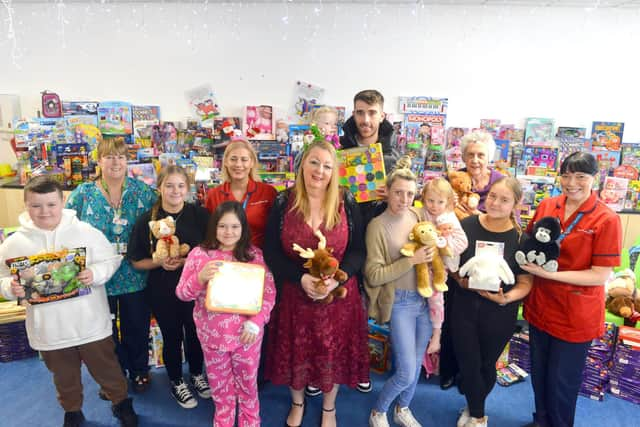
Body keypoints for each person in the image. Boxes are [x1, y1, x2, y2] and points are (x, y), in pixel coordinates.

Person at [0, 176, 138, 427]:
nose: (44, 212)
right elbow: (2, 277)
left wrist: (95, 274)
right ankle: (72, 410)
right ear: (25, 205)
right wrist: (11, 287)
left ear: (62, 202)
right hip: (50, 328)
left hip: (89, 322)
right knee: (63, 375)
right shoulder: (14, 244)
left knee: (107, 367)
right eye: (35, 205)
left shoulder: (85, 232)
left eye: (51, 204)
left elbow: (111, 260)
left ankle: (121, 402)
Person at [263, 139, 369, 427]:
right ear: (302, 164)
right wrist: (300, 278)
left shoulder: (346, 201)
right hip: (295, 296)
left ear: (334, 171)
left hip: (338, 299)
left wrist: (338, 278)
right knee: (296, 352)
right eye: (314, 162)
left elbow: (359, 250)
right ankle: (297, 403)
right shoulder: (284, 201)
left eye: (326, 166)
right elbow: (270, 250)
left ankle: (329, 408)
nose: (319, 171)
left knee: (331, 354)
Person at [521, 152, 622, 427]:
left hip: (575, 314)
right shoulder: (548, 205)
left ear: (594, 178)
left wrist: (551, 274)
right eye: (566, 175)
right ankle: (540, 421)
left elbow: (600, 275)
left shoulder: (606, 219)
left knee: (561, 382)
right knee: (539, 373)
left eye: (580, 176)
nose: (572, 182)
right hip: (541, 304)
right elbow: (530, 241)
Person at [66, 138, 157, 393]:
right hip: (97, 277)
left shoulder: (143, 191)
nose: (115, 162)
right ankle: (113, 377)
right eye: (109, 157)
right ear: (99, 161)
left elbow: (162, 220)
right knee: (103, 333)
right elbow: (66, 230)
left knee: (136, 326)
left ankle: (140, 370)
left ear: (127, 161)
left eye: (120, 157)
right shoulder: (83, 194)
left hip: (134, 273)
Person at [176, 201, 276, 427]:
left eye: (234, 227)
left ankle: (250, 420)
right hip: (213, 338)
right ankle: (224, 418)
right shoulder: (199, 255)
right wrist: (200, 278)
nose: (228, 232)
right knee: (219, 385)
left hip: (246, 337)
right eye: (222, 226)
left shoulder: (254, 256)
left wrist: (257, 322)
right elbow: (182, 293)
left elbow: (268, 294)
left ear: (243, 229)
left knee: (248, 384)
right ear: (214, 227)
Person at [364, 168, 447, 427]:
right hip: (398, 302)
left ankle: (403, 408)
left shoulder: (416, 214)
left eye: (410, 194)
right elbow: (373, 275)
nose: (404, 199)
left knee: (415, 366)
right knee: (406, 370)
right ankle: (379, 411)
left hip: (423, 302)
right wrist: (410, 261)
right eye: (398, 192)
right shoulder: (377, 226)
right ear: (387, 192)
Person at [449, 177, 533, 427]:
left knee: (486, 364)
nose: (495, 203)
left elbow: (526, 283)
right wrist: (460, 281)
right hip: (464, 307)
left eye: (504, 199)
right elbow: (451, 263)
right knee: (469, 363)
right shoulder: (467, 225)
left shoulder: (521, 238)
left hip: (499, 313)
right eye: (493, 196)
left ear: (516, 204)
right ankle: (478, 416)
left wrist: (505, 298)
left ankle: (472, 407)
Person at [127, 166, 210, 409]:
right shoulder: (147, 221)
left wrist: (186, 261)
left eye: (181, 186)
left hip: (196, 289)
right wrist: (158, 261)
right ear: (160, 187)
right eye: (169, 185)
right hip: (162, 291)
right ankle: (176, 381)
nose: (175, 191)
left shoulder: (201, 216)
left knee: (196, 334)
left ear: (188, 189)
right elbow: (136, 261)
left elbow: (212, 252)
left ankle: (196, 374)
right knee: (172, 337)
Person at [440, 129, 505, 390]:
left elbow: (509, 215)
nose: (475, 160)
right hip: (456, 254)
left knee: (481, 321)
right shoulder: (452, 179)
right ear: (463, 156)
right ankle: (448, 370)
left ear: (488, 156)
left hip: (488, 256)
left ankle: (473, 375)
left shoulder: (500, 182)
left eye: (481, 155)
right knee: (452, 316)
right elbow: (434, 205)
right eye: (470, 154)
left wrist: (476, 213)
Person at [204, 138, 276, 248]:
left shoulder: (268, 192)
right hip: (224, 259)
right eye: (233, 159)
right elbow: (209, 232)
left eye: (244, 159)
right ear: (226, 162)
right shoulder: (214, 195)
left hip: (259, 259)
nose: (238, 164)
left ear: (252, 162)